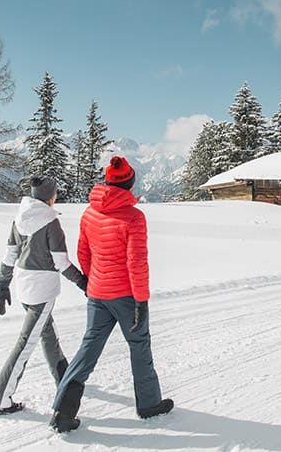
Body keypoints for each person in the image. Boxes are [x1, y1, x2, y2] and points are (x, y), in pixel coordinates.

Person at [49, 156, 173, 433]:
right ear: (129, 182)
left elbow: (83, 252)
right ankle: (149, 404)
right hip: (127, 296)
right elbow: (136, 262)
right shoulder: (134, 217)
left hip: (98, 293)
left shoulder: (89, 213)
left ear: (107, 181)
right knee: (139, 345)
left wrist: (94, 280)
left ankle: (63, 411)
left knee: (88, 348)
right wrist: (141, 300)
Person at [0, 176, 88, 415]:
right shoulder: (50, 221)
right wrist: (83, 282)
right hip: (42, 289)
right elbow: (61, 262)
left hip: (23, 286)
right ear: (50, 197)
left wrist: (2, 285)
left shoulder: (20, 216)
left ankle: (63, 377)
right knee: (26, 343)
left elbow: (10, 255)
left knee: (47, 333)